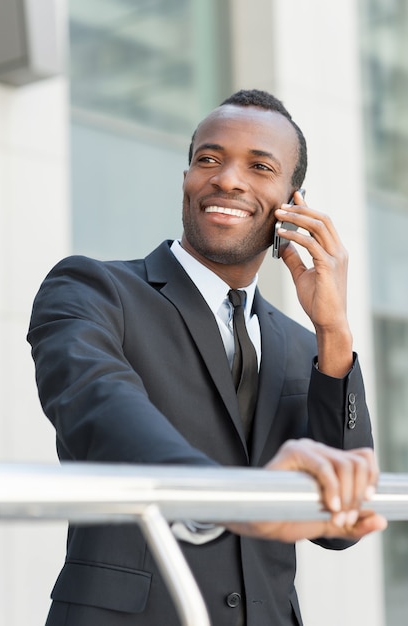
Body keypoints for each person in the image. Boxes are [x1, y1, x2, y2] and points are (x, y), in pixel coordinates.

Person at [28, 89, 386, 626]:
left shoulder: (306, 346)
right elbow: (97, 405)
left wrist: (333, 332)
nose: (228, 179)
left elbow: (337, 529)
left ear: (294, 200)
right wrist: (229, 498)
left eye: (259, 166)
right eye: (208, 159)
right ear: (187, 178)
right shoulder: (92, 288)